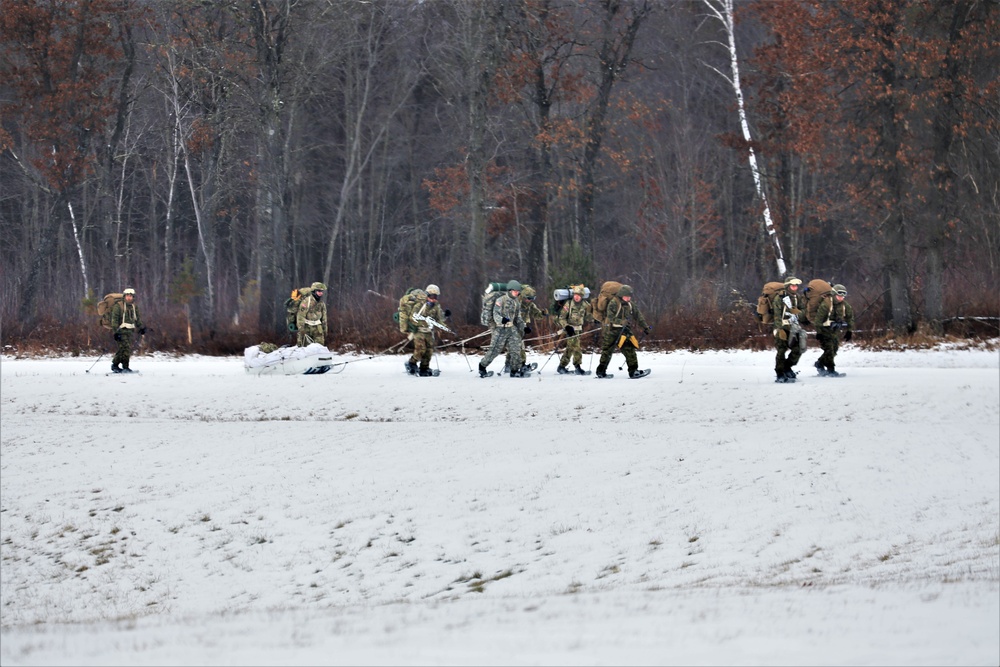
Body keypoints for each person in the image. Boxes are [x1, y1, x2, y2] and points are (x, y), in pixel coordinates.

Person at [595, 284, 649, 378]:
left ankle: (633, 371)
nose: (629, 298)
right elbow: (610, 317)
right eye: (627, 296)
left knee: (629, 349)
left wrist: (645, 327)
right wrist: (621, 321)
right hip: (612, 330)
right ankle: (601, 371)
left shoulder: (630, 304)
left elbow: (638, 316)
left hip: (624, 331)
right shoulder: (614, 303)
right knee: (607, 351)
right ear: (621, 295)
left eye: (629, 296)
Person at [478, 280, 527, 377]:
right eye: (515, 291)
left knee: (516, 349)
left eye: (518, 292)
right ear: (510, 290)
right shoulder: (501, 300)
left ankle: (514, 370)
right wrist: (501, 320)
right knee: (494, 350)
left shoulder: (516, 302)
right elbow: (495, 314)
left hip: (511, 328)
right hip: (500, 329)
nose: (517, 293)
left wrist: (524, 327)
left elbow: (518, 317)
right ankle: (482, 367)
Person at [406, 284, 450, 376]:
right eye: (432, 296)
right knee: (421, 349)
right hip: (419, 331)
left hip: (429, 332)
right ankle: (411, 363)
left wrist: (445, 315)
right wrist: (424, 322)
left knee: (429, 350)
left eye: (436, 296)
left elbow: (439, 318)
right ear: (427, 295)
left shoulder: (436, 306)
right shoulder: (420, 304)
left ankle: (424, 368)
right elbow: (413, 317)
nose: (434, 299)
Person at [813, 283, 854, 377]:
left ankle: (819, 363)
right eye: (839, 295)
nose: (841, 297)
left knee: (834, 349)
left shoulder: (845, 305)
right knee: (829, 349)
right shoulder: (826, 304)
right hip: (824, 330)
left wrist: (849, 331)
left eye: (843, 295)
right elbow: (818, 320)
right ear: (834, 294)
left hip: (834, 331)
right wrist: (819, 332)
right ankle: (831, 369)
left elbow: (850, 318)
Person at [772, 275, 806, 383]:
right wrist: (779, 329)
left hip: (794, 327)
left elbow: (803, 311)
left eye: (796, 286)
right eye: (793, 286)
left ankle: (787, 367)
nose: (795, 288)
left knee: (798, 349)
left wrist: (799, 313)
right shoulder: (780, 298)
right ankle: (779, 373)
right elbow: (777, 315)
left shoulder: (798, 298)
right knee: (781, 351)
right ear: (788, 286)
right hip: (782, 327)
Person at [556, 284, 592, 375]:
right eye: (575, 295)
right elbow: (561, 318)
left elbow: (589, 316)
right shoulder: (569, 304)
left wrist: (595, 320)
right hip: (570, 330)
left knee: (570, 348)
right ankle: (577, 367)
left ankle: (561, 366)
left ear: (582, 296)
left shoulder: (585, 305)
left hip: (578, 330)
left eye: (579, 295)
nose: (576, 297)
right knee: (576, 347)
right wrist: (567, 326)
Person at [511, 284, 547, 373]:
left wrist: (542, 313)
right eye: (528, 298)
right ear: (523, 296)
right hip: (513, 327)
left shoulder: (530, 304)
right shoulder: (515, 303)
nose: (530, 300)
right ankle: (521, 365)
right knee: (519, 347)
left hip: (522, 328)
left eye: (532, 299)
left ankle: (509, 364)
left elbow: (536, 314)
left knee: (515, 346)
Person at [110, 287, 145, 373]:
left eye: (131, 296)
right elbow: (114, 320)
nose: (129, 297)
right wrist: (115, 332)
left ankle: (115, 365)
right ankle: (125, 367)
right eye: (127, 296)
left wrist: (141, 328)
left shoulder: (134, 307)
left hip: (130, 331)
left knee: (124, 349)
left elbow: (137, 319)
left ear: (133, 297)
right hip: (121, 331)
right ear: (124, 296)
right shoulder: (118, 306)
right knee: (125, 349)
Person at [296, 282, 327, 347]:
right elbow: (300, 316)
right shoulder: (306, 301)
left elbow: (324, 318)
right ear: (314, 291)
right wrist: (301, 329)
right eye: (319, 291)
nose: (321, 293)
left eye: (322, 291)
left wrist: (325, 329)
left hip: (318, 328)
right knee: (305, 348)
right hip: (307, 328)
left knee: (320, 348)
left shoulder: (321, 303)